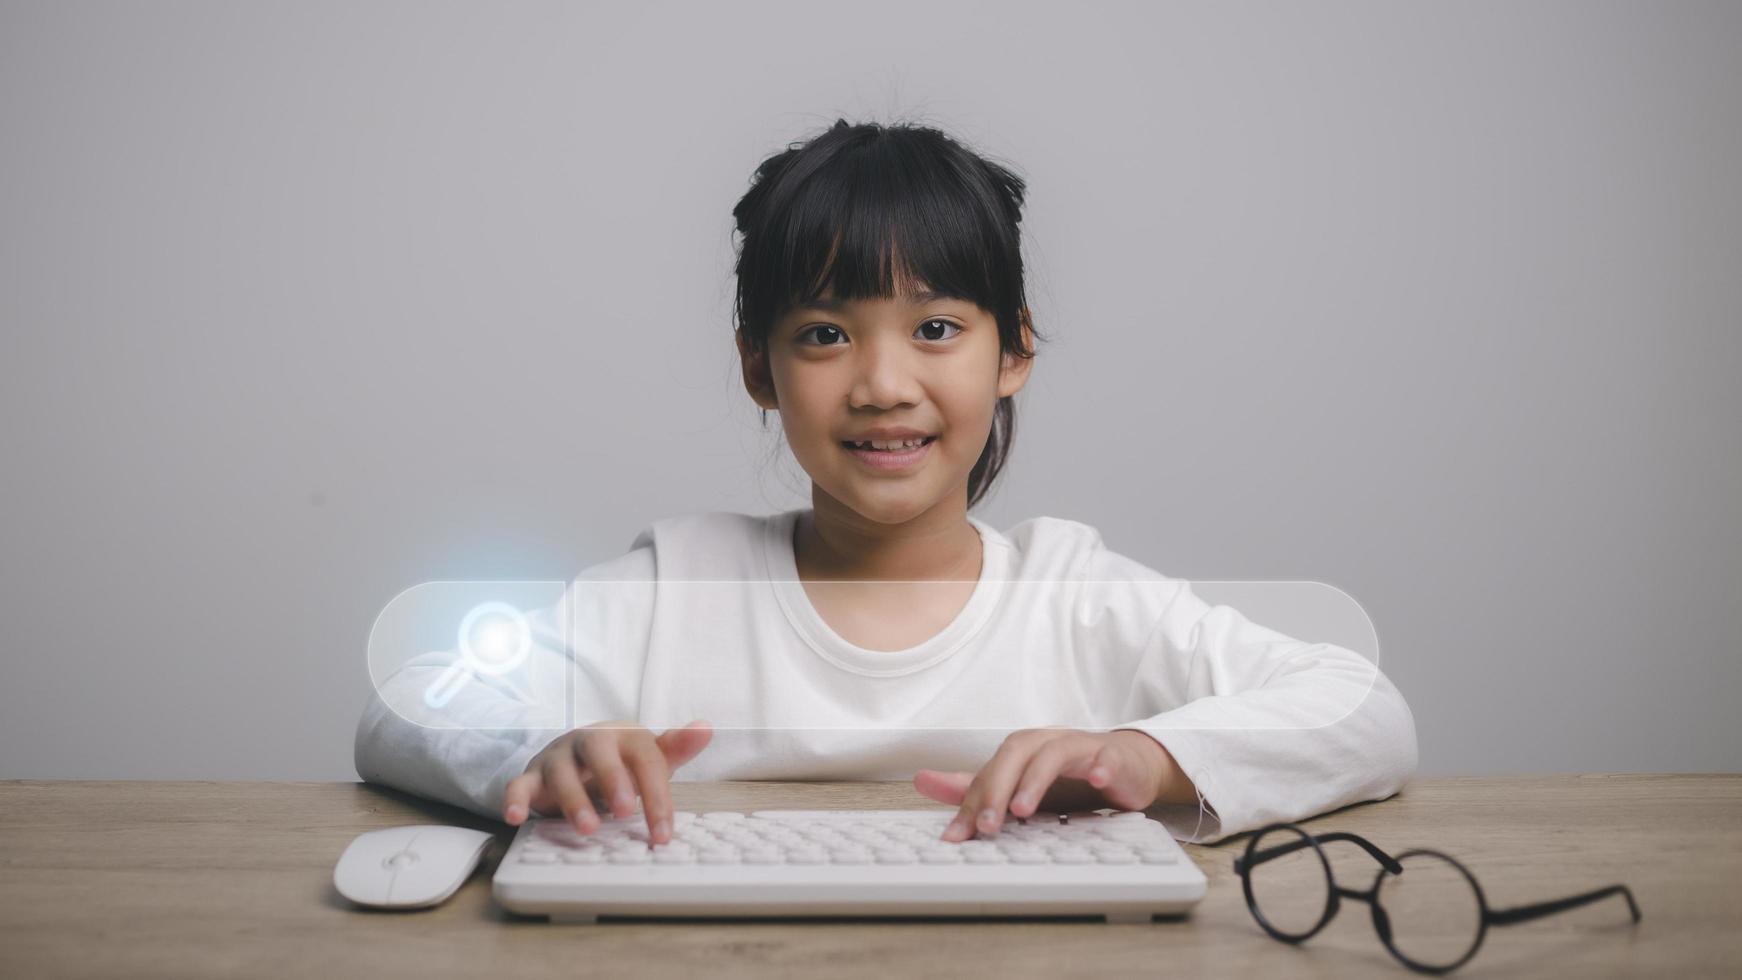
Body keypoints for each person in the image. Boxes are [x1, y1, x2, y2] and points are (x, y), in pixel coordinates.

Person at [354, 118, 1417, 848]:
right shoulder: (678, 584)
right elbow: (405, 706)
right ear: (757, 369)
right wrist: (540, 747)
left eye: (937, 328)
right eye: (823, 334)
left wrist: (1147, 755)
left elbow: (1364, 709)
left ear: (1014, 353)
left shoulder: (1076, 593)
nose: (880, 383)